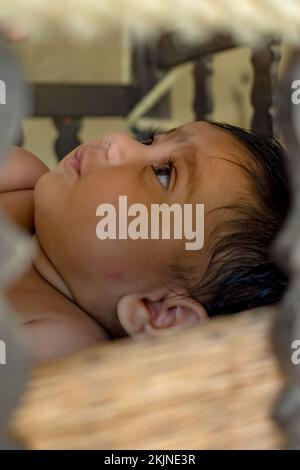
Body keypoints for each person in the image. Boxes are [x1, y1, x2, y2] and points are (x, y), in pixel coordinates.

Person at [0, 120, 290, 362]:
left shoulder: (57, 343)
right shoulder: (22, 177)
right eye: (149, 141)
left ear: (160, 312)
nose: (117, 140)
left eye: (163, 174)